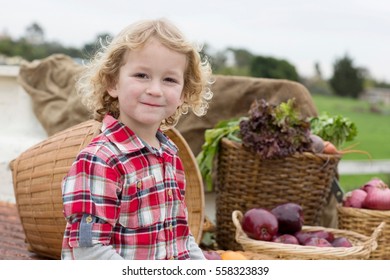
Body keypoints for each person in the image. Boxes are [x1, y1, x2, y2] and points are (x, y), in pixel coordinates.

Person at [61, 18, 213, 260]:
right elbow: (89, 250)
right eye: (142, 75)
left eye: (169, 79)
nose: (155, 89)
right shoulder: (99, 161)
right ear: (113, 83)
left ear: (184, 93)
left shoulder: (170, 157)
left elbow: (180, 240)